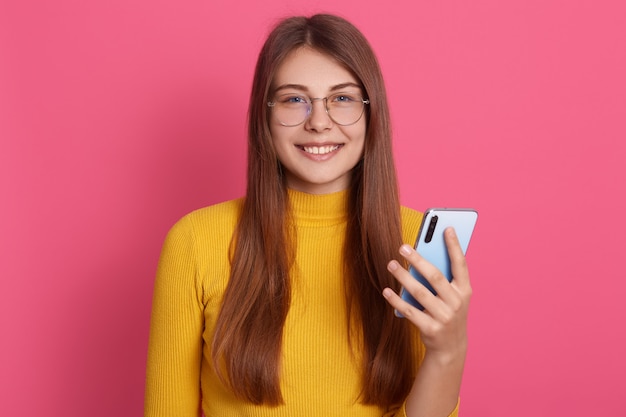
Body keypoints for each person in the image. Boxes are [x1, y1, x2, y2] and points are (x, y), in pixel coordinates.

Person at [144, 14, 471, 417]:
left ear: (372, 115)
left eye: (343, 98)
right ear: (264, 116)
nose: (319, 122)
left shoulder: (416, 242)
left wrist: (449, 352)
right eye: (294, 99)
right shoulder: (195, 241)